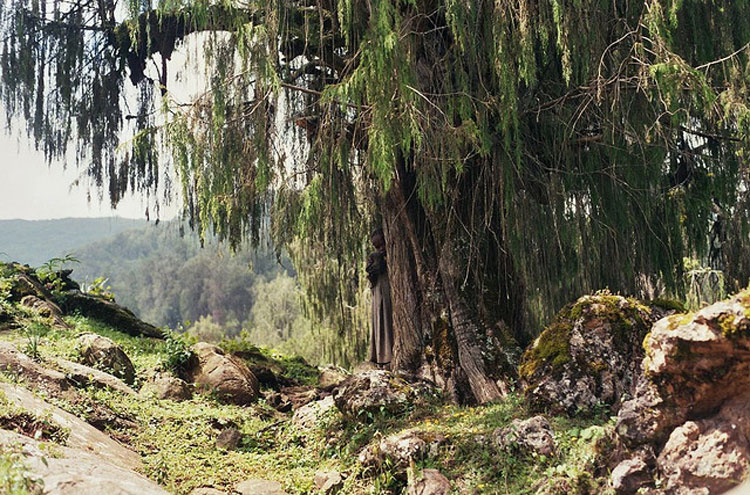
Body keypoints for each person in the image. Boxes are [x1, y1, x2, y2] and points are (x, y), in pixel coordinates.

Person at [366, 228, 393, 369]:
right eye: (377, 247)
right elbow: (371, 275)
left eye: (383, 245)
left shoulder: (393, 260)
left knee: (388, 323)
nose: (381, 249)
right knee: (379, 323)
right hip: (378, 296)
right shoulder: (375, 258)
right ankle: (381, 357)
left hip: (388, 297)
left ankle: (389, 356)